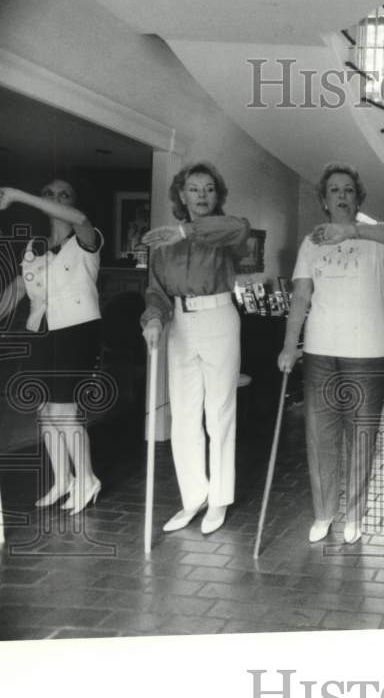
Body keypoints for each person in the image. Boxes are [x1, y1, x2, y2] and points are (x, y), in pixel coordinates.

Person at [277, 164, 384, 545]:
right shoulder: (311, 242)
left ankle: (354, 516)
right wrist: (289, 345)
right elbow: (300, 298)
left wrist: (352, 230)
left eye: (348, 190)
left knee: (361, 436)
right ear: (323, 200)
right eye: (333, 191)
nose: (341, 196)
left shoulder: (376, 235)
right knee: (320, 435)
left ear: (357, 197)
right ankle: (324, 512)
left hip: (368, 350)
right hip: (321, 349)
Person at [140, 162, 250, 535]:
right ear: (181, 195)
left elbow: (241, 228)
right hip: (179, 325)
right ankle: (193, 498)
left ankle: (219, 499)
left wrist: (183, 231)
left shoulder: (224, 231)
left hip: (219, 318)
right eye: (194, 188)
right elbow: (156, 291)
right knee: (184, 416)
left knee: (218, 412)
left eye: (209, 189)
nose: (201, 195)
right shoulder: (161, 246)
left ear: (216, 196)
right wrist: (153, 319)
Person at [0, 180, 104, 514]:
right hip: (40, 331)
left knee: (64, 411)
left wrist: (21, 196)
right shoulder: (34, 246)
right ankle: (63, 481)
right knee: (44, 412)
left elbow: (79, 218)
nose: (55, 200)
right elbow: (19, 288)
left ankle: (88, 479)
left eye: (63, 195)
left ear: (74, 202)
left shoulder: (87, 239)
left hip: (77, 331)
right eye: (49, 194)